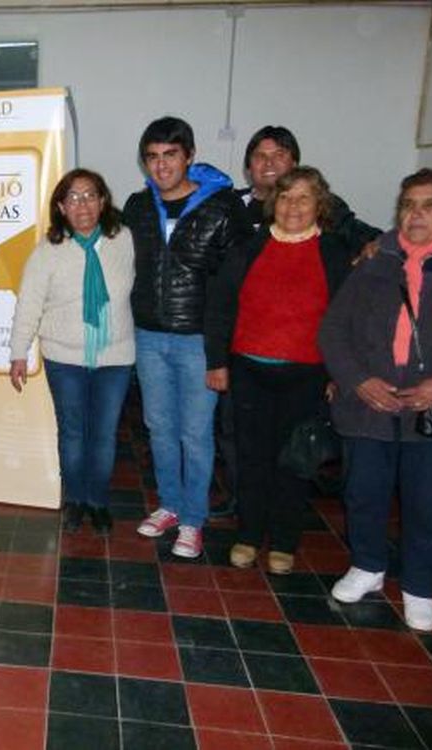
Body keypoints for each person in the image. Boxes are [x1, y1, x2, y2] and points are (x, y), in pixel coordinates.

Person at [319, 168, 432, 631]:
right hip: (371, 402)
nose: (415, 214)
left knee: (429, 499)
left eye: (429, 205)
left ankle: (420, 586)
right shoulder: (376, 259)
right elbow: (333, 330)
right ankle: (367, 566)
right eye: (408, 204)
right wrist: (357, 380)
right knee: (363, 491)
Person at [207, 167, 353, 574]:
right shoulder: (248, 249)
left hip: (307, 376)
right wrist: (217, 362)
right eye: (286, 197)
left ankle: (284, 542)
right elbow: (220, 307)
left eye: (304, 198)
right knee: (252, 458)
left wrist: (338, 375)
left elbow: (347, 322)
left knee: (295, 461)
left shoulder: (336, 254)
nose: (293, 206)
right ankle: (249, 536)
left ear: (319, 204)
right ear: (274, 201)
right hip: (249, 371)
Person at [126, 116, 253, 558]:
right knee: (158, 428)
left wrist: (221, 352)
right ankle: (170, 506)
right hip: (148, 335)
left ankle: (194, 520)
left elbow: (236, 284)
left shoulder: (222, 208)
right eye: (153, 157)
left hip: (198, 341)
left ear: (189, 156)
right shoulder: (138, 208)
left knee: (195, 434)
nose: (161, 166)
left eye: (170, 155)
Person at [9, 169, 135, 535]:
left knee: (104, 434)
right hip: (64, 359)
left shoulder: (123, 240)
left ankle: (98, 501)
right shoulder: (48, 251)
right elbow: (29, 304)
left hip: (115, 357)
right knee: (73, 433)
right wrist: (19, 352)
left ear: (103, 201)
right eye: (74, 198)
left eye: (90, 195)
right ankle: (76, 499)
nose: (83, 204)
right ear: (61, 207)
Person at [237, 126, 380, 251]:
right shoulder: (230, 204)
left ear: (294, 164)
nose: (269, 163)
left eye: (279, 155)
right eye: (260, 156)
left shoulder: (319, 202)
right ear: (248, 167)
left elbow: (372, 239)